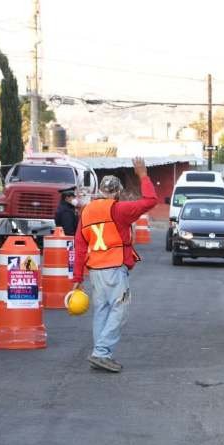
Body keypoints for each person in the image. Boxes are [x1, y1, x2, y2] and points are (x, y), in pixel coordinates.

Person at [72, 158, 158, 372]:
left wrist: (77, 278)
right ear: (118, 192)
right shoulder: (119, 210)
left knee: (102, 311)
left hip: (96, 270)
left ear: (100, 191)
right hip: (114, 267)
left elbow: (80, 246)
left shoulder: (87, 212)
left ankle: (101, 353)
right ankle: (101, 353)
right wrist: (143, 175)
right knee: (120, 309)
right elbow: (150, 200)